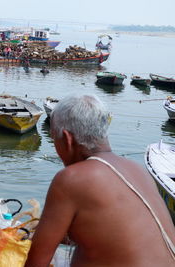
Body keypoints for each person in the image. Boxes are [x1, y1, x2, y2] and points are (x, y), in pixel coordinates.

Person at [25, 94, 175, 266]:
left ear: (67, 139)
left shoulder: (72, 179)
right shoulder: (137, 170)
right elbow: (113, 232)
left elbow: (35, 262)